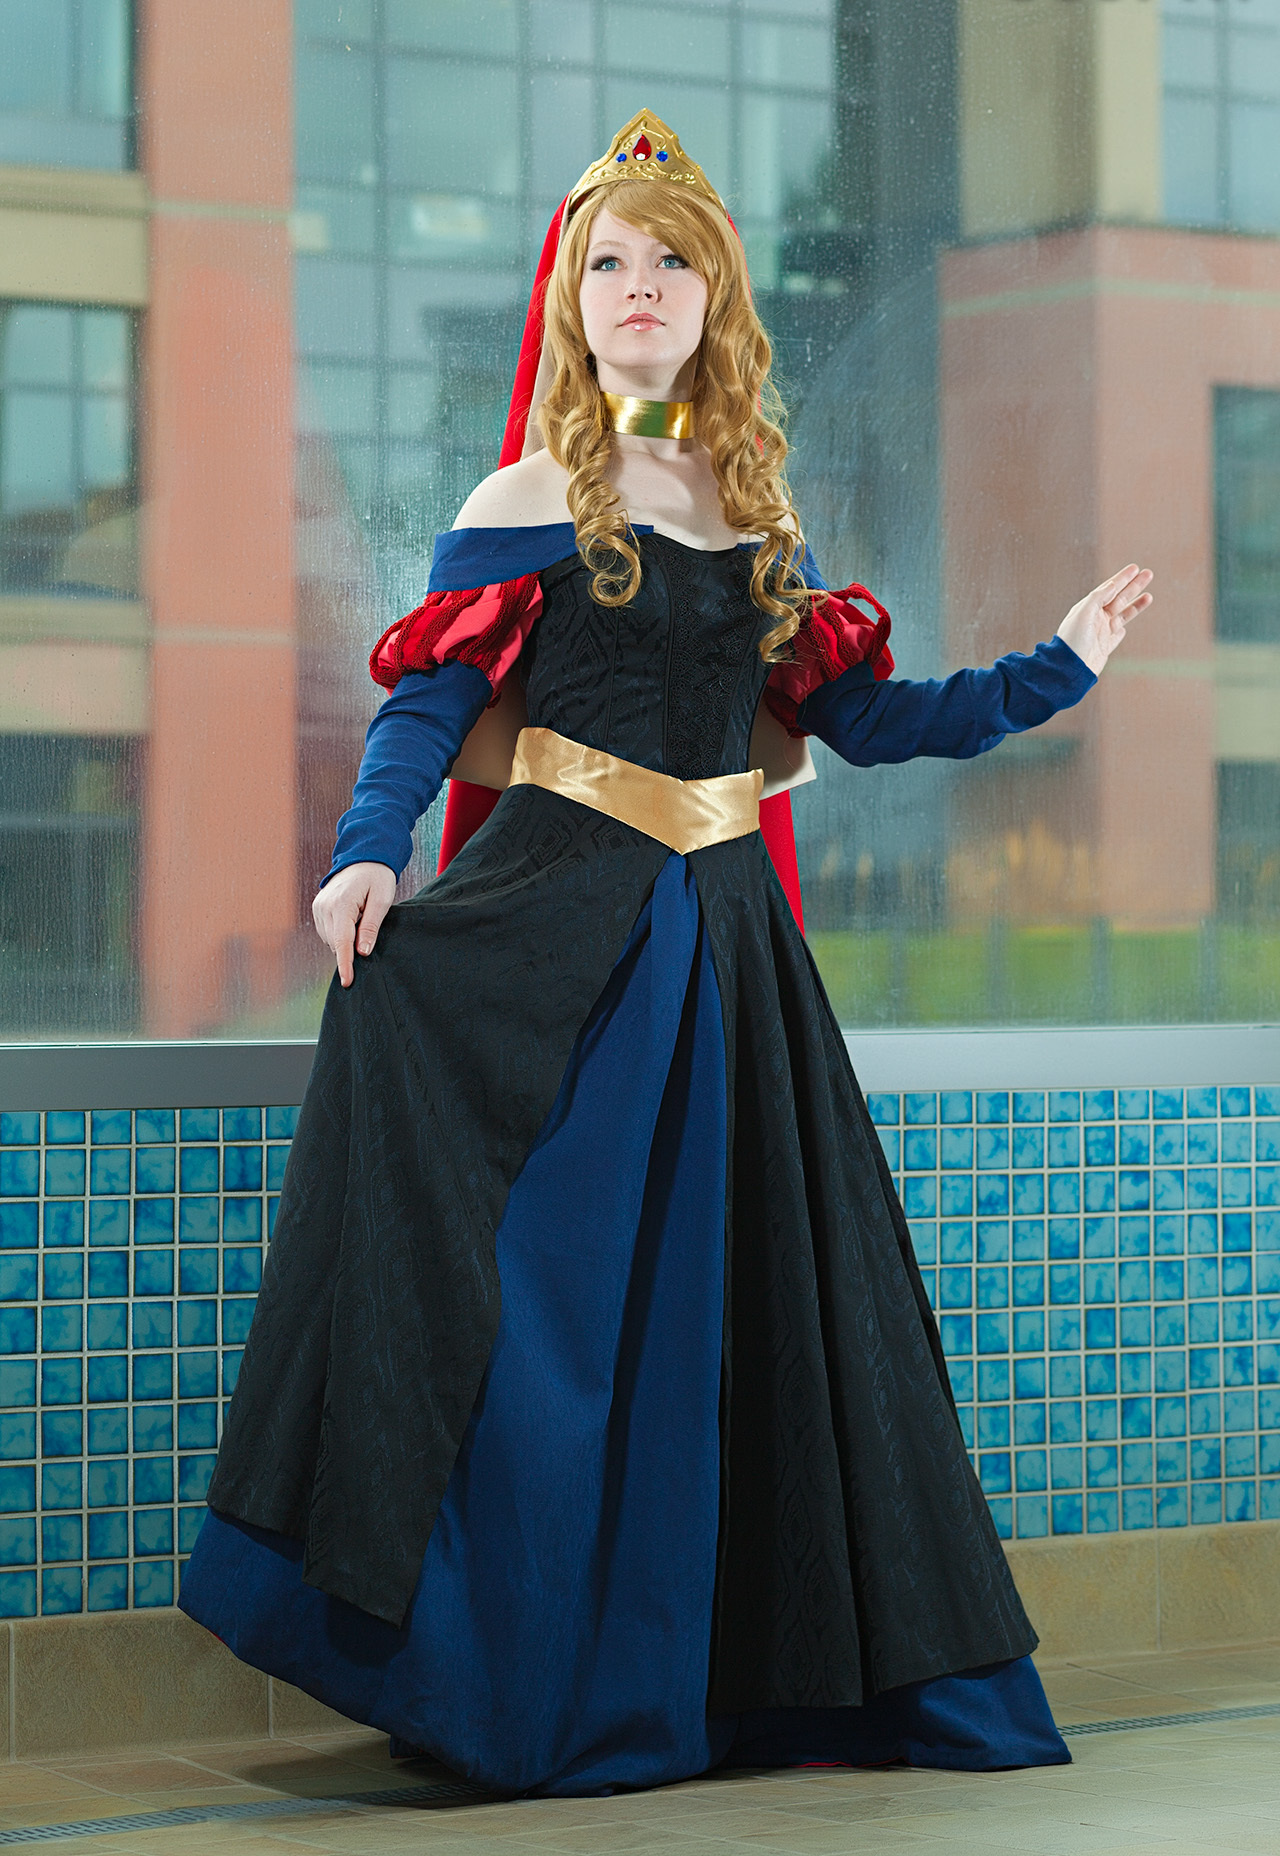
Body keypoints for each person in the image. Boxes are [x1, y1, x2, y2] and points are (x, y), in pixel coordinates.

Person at [178, 111, 1154, 1798]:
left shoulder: (761, 521)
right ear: (574, 300)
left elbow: (875, 721)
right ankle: (509, 1683)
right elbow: (426, 707)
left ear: (717, 299)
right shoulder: (524, 499)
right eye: (610, 261)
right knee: (545, 1309)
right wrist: (365, 854)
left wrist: (1055, 667)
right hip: (554, 937)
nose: (640, 284)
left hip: (729, 960)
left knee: (729, 1316)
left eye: (672, 260)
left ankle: (714, 1683)